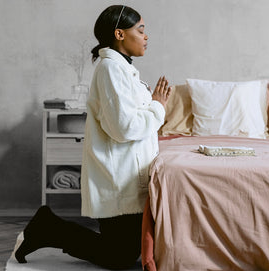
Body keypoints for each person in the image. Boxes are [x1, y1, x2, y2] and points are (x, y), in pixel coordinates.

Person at [15, 5, 171, 270]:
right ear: (119, 34)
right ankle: (48, 227)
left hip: (127, 177)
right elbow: (123, 128)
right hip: (118, 179)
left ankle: (48, 226)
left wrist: (155, 106)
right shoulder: (111, 69)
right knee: (119, 258)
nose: (146, 36)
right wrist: (158, 106)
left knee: (125, 252)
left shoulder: (122, 69)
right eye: (140, 30)